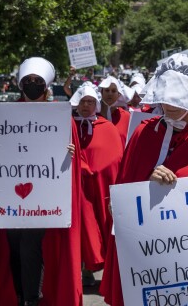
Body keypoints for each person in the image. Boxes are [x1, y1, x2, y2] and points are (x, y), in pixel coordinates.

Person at [98, 53, 188, 306]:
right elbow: (122, 202)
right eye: (165, 99)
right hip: (149, 257)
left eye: (177, 99)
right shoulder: (144, 133)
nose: (169, 106)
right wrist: (148, 183)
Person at [0, 57, 82, 306]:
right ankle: (18, 295)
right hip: (11, 194)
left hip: (44, 197)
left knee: (31, 244)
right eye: (28, 81)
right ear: (20, 84)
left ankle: (32, 298)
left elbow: (72, 159)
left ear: (46, 86)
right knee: (14, 247)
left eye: (38, 81)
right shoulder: (4, 115)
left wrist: (70, 153)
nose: (32, 85)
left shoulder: (60, 117)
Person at [70, 82, 123, 283]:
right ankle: (82, 269)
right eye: (83, 101)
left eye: (90, 102)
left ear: (96, 104)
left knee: (103, 225)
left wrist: (101, 171)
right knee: (83, 227)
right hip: (77, 186)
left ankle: (102, 270)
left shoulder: (106, 127)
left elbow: (115, 156)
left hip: (101, 186)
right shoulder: (67, 124)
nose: (86, 106)